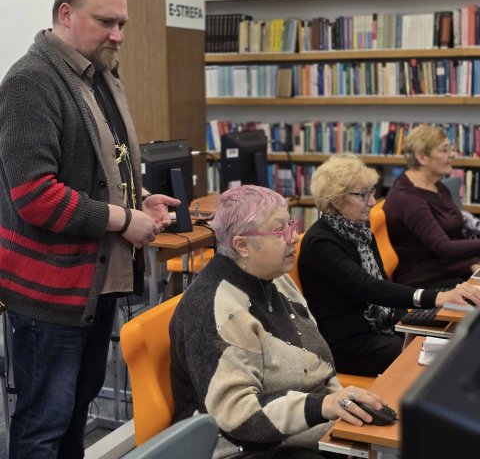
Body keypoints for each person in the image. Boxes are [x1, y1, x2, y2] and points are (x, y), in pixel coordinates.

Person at [0, 0, 180, 457]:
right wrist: (123, 220)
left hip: (95, 284)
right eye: (105, 22)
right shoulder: (30, 82)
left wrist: (139, 199)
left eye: (122, 24)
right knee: (43, 425)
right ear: (65, 14)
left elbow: (102, 168)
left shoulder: (98, 75)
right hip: (50, 294)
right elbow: (36, 197)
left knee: (75, 416)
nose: (117, 35)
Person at [170, 185, 389, 459]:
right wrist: (324, 406)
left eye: (291, 225)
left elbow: (319, 364)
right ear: (242, 245)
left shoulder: (276, 278)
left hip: (300, 430)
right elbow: (238, 417)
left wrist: (341, 409)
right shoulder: (214, 306)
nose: (294, 236)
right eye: (279, 230)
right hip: (239, 448)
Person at [298, 155, 480, 377]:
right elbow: (368, 287)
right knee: (440, 359)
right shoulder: (320, 242)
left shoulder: (360, 233)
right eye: (363, 195)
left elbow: (382, 284)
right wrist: (437, 298)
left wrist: (410, 325)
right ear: (335, 199)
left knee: (455, 340)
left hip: (379, 328)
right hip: (348, 346)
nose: (373, 202)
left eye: (372, 192)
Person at [384, 124, 480, 288]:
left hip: (453, 272)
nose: (452, 154)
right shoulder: (408, 199)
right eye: (444, 150)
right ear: (422, 157)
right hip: (428, 283)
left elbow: (456, 236)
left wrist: (472, 264)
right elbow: (445, 249)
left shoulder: (437, 186)